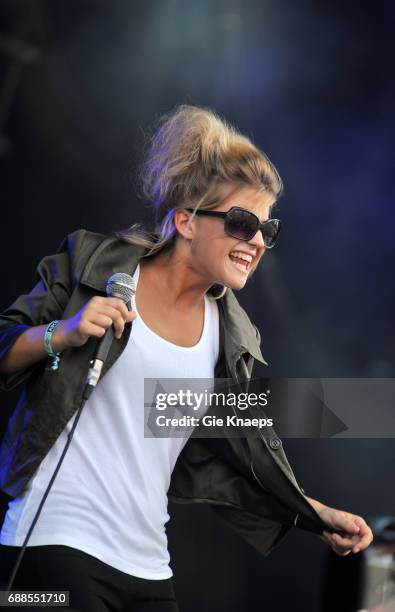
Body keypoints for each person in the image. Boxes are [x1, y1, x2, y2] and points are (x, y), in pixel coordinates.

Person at [0, 105, 373, 611]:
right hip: (53, 542)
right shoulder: (91, 266)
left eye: (268, 229)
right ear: (186, 221)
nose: (258, 242)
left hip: (147, 566)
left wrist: (314, 512)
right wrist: (59, 334)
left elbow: (236, 459)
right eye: (243, 223)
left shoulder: (230, 338)